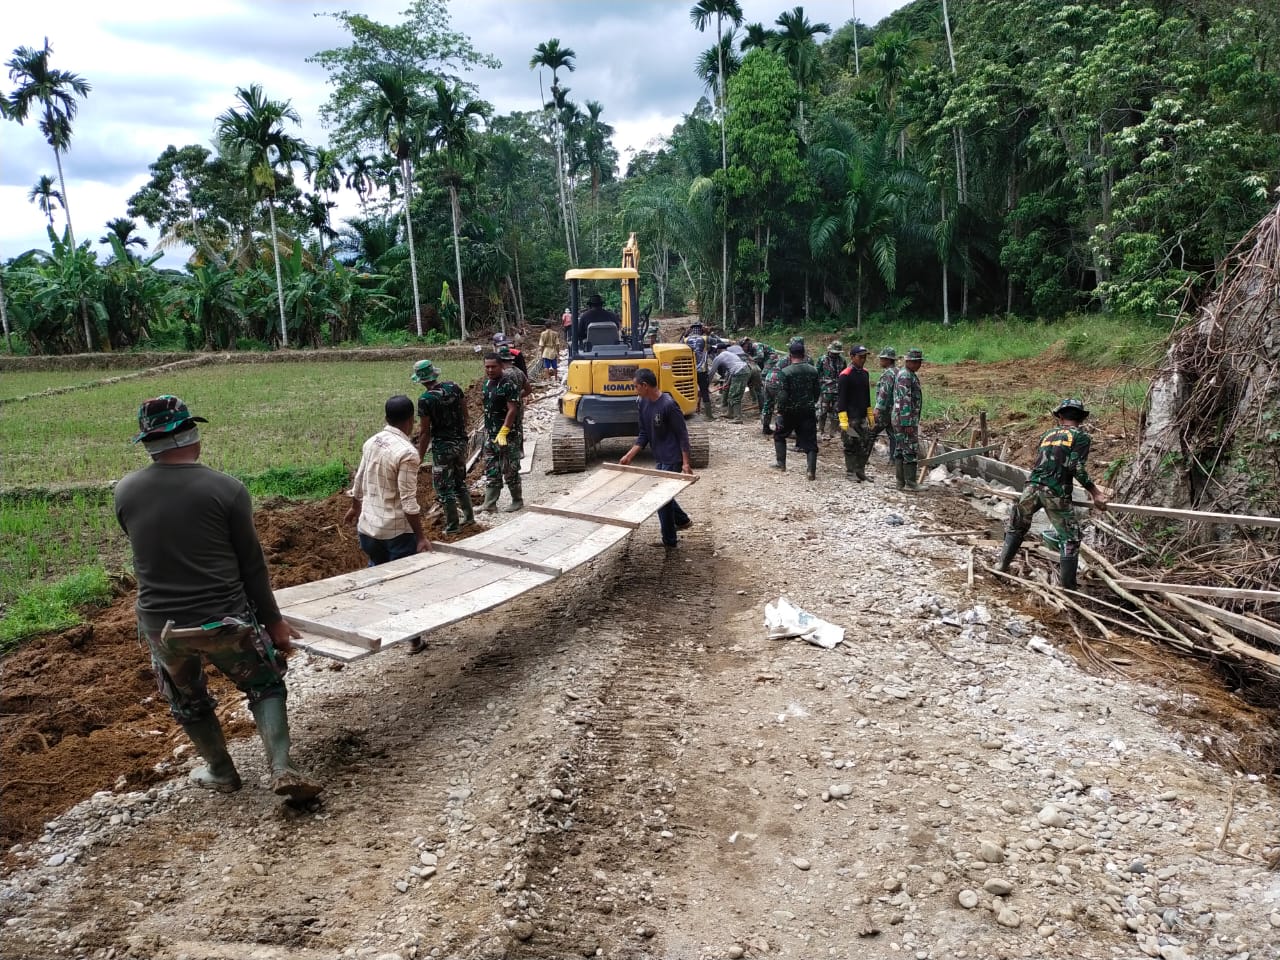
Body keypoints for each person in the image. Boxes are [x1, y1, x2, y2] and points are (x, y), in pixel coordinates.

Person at [113, 396, 322, 801]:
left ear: (147, 443)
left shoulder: (126, 491)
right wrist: (274, 622)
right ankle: (282, 767)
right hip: (225, 621)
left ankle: (221, 771)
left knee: (187, 699)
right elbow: (253, 567)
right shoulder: (226, 490)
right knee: (264, 685)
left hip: (163, 627)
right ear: (191, 433)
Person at [997, 398, 1107, 589]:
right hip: (1055, 492)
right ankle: (1069, 588)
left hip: (1031, 487)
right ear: (1080, 419)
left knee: (1017, 526)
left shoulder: (1047, 434)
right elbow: (1076, 467)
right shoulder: (1081, 437)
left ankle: (1001, 566)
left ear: (1060, 416)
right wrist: (1095, 493)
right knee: (1070, 538)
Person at [347, 395, 431, 564]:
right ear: (411, 419)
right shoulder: (407, 453)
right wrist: (421, 537)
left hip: (368, 529)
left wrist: (355, 507)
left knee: (377, 572)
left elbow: (359, 479)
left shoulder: (372, 441)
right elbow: (408, 501)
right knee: (401, 579)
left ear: (386, 418)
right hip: (395, 533)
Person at [619, 368, 694, 548]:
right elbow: (644, 433)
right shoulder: (643, 403)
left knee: (660, 500)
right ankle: (682, 520)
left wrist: (685, 463)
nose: (635, 389)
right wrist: (629, 455)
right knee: (664, 496)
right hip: (660, 456)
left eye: (636, 386)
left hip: (672, 457)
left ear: (645, 386)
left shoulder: (668, 405)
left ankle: (669, 541)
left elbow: (682, 435)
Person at [412, 359, 474, 535]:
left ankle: (453, 526)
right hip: (461, 443)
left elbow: (425, 432)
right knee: (459, 481)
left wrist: (419, 456)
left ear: (421, 380)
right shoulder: (453, 387)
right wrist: (461, 432)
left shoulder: (425, 400)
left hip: (442, 448)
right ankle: (469, 518)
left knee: (444, 487)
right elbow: (465, 413)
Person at [771, 338, 821, 480]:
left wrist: (779, 410)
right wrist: (811, 402)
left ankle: (781, 464)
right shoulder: (813, 371)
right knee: (811, 441)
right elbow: (817, 391)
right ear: (804, 354)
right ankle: (811, 471)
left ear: (790, 355)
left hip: (789, 411)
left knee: (780, 435)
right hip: (808, 410)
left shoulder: (785, 372)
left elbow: (782, 394)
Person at [481, 352, 524, 513]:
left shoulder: (508, 384)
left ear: (501, 366)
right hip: (491, 435)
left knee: (510, 468)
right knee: (491, 469)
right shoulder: (487, 384)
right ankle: (490, 503)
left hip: (507, 435)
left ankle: (517, 500)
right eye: (487, 367)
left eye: (493, 366)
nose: (490, 370)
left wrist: (504, 431)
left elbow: (512, 410)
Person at [836, 345, 872, 481]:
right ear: (852, 357)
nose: (863, 360)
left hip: (862, 415)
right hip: (850, 417)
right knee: (850, 444)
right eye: (860, 357)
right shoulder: (845, 375)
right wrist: (843, 419)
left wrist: (870, 414)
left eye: (865, 357)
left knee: (864, 444)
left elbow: (867, 395)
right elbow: (842, 398)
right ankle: (850, 472)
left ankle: (860, 470)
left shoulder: (865, 373)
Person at [890, 348, 925, 490]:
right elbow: (904, 400)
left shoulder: (907, 374)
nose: (919, 365)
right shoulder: (906, 376)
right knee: (910, 448)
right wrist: (907, 422)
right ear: (910, 361)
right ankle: (911, 482)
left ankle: (900, 482)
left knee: (900, 447)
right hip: (904, 420)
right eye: (917, 362)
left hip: (900, 419)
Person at [709, 342, 751, 423]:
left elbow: (711, 373)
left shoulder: (719, 357)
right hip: (744, 370)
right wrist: (728, 382)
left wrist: (706, 386)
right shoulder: (730, 354)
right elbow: (732, 369)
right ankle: (730, 413)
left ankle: (738, 418)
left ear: (718, 350)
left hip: (740, 372)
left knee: (735, 395)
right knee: (731, 393)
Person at [871, 347, 899, 462]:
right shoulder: (898, 371)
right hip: (894, 410)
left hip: (885, 410)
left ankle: (864, 457)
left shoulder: (888, 374)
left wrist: (877, 408)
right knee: (893, 435)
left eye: (882, 359)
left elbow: (884, 392)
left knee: (870, 431)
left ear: (888, 360)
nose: (880, 361)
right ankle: (893, 459)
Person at [684, 321, 714, 419]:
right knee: (704, 391)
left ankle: (686, 411)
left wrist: (686, 333)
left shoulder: (686, 339)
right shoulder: (705, 338)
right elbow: (718, 342)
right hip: (702, 370)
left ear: (691, 329)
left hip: (689, 370)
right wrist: (709, 332)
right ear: (701, 329)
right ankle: (708, 416)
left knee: (687, 390)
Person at [816, 341, 846, 437]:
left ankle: (833, 432)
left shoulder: (842, 360)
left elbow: (844, 374)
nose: (835, 354)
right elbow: (817, 373)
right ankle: (820, 430)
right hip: (825, 390)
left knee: (836, 411)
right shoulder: (822, 360)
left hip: (838, 390)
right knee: (822, 411)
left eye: (837, 353)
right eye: (833, 352)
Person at [760, 351, 791, 435]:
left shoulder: (783, 358)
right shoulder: (794, 359)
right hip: (779, 381)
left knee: (768, 403)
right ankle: (780, 430)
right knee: (782, 406)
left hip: (768, 378)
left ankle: (765, 427)